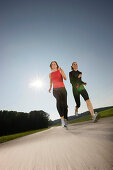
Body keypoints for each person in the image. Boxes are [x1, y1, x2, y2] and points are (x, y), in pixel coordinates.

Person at [49, 61, 68, 129]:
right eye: (52, 64)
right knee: (59, 101)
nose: (53, 65)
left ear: (57, 65)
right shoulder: (50, 74)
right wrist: (50, 88)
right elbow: (51, 82)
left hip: (62, 89)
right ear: (51, 66)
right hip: (55, 90)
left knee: (65, 105)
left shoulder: (60, 70)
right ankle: (62, 120)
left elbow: (65, 78)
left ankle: (65, 120)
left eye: (55, 64)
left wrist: (62, 71)